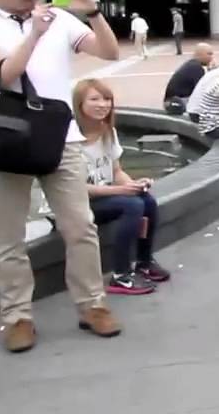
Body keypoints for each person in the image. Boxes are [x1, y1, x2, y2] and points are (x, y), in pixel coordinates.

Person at [0, 0, 123, 353]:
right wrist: (34, 34)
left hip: (61, 139)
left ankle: (92, 305)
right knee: (8, 238)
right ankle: (17, 317)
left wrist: (92, 11)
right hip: (5, 140)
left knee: (80, 226)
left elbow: (110, 52)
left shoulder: (60, 19)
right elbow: (2, 77)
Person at [74, 79, 171, 296]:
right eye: (94, 99)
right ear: (79, 103)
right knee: (132, 205)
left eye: (107, 99)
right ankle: (120, 275)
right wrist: (122, 191)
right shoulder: (68, 140)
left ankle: (144, 262)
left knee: (147, 200)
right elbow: (76, 188)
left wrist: (134, 184)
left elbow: (116, 171)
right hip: (75, 205)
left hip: (104, 198)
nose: (103, 104)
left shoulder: (107, 131)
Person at [163, 42, 214, 114]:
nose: (212, 57)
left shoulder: (191, 64)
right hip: (177, 102)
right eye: (209, 54)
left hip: (173, 100)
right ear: (200, 54)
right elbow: (203, 90)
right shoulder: (196, 68)